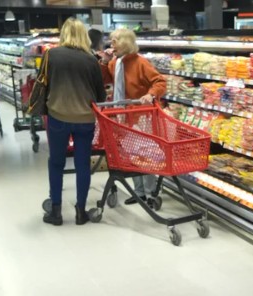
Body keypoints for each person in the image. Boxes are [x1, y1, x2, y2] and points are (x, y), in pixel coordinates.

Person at [42, 18, 106, 226]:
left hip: (58, 115)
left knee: (56, 163)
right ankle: (80, 212)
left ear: (64, 34)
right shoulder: (91, 60)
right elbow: (100, 95)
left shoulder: (51, 55)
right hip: (85, 119)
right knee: (82, 164)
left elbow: (42, 84)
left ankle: (56, 212)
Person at [99, 28, 166, 206]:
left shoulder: (140, 62)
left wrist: (150, 94)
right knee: (132, 153)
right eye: (111, 41)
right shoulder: (115, 63)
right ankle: (139, 192)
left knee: (146, 154)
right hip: (122, 114)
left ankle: (150, 192)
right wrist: (104, 62)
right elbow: (104, 80)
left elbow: (159, 81)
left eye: (115, 41)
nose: (111, 44)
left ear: (125, 43)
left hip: (141, 116)